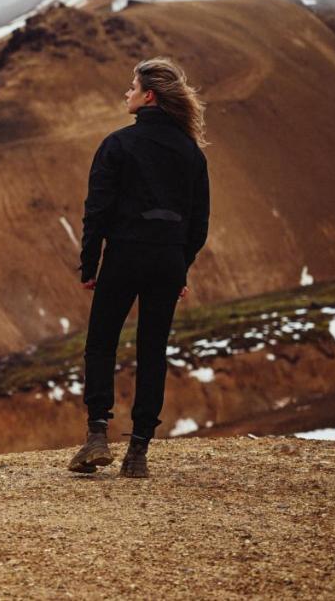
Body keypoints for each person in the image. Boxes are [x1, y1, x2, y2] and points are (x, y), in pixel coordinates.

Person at [67, 56, 210, 478]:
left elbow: (97, 210)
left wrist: (90, 263)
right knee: (152, 350)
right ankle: (138, 453)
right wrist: (180, 267)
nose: (125, 94)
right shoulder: (191, 154)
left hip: (126, 254)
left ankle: (96, 435)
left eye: (131, 88)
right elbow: (198, 224)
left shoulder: (118, 144)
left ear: (148, 96)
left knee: (102, 342)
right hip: (167, 258)